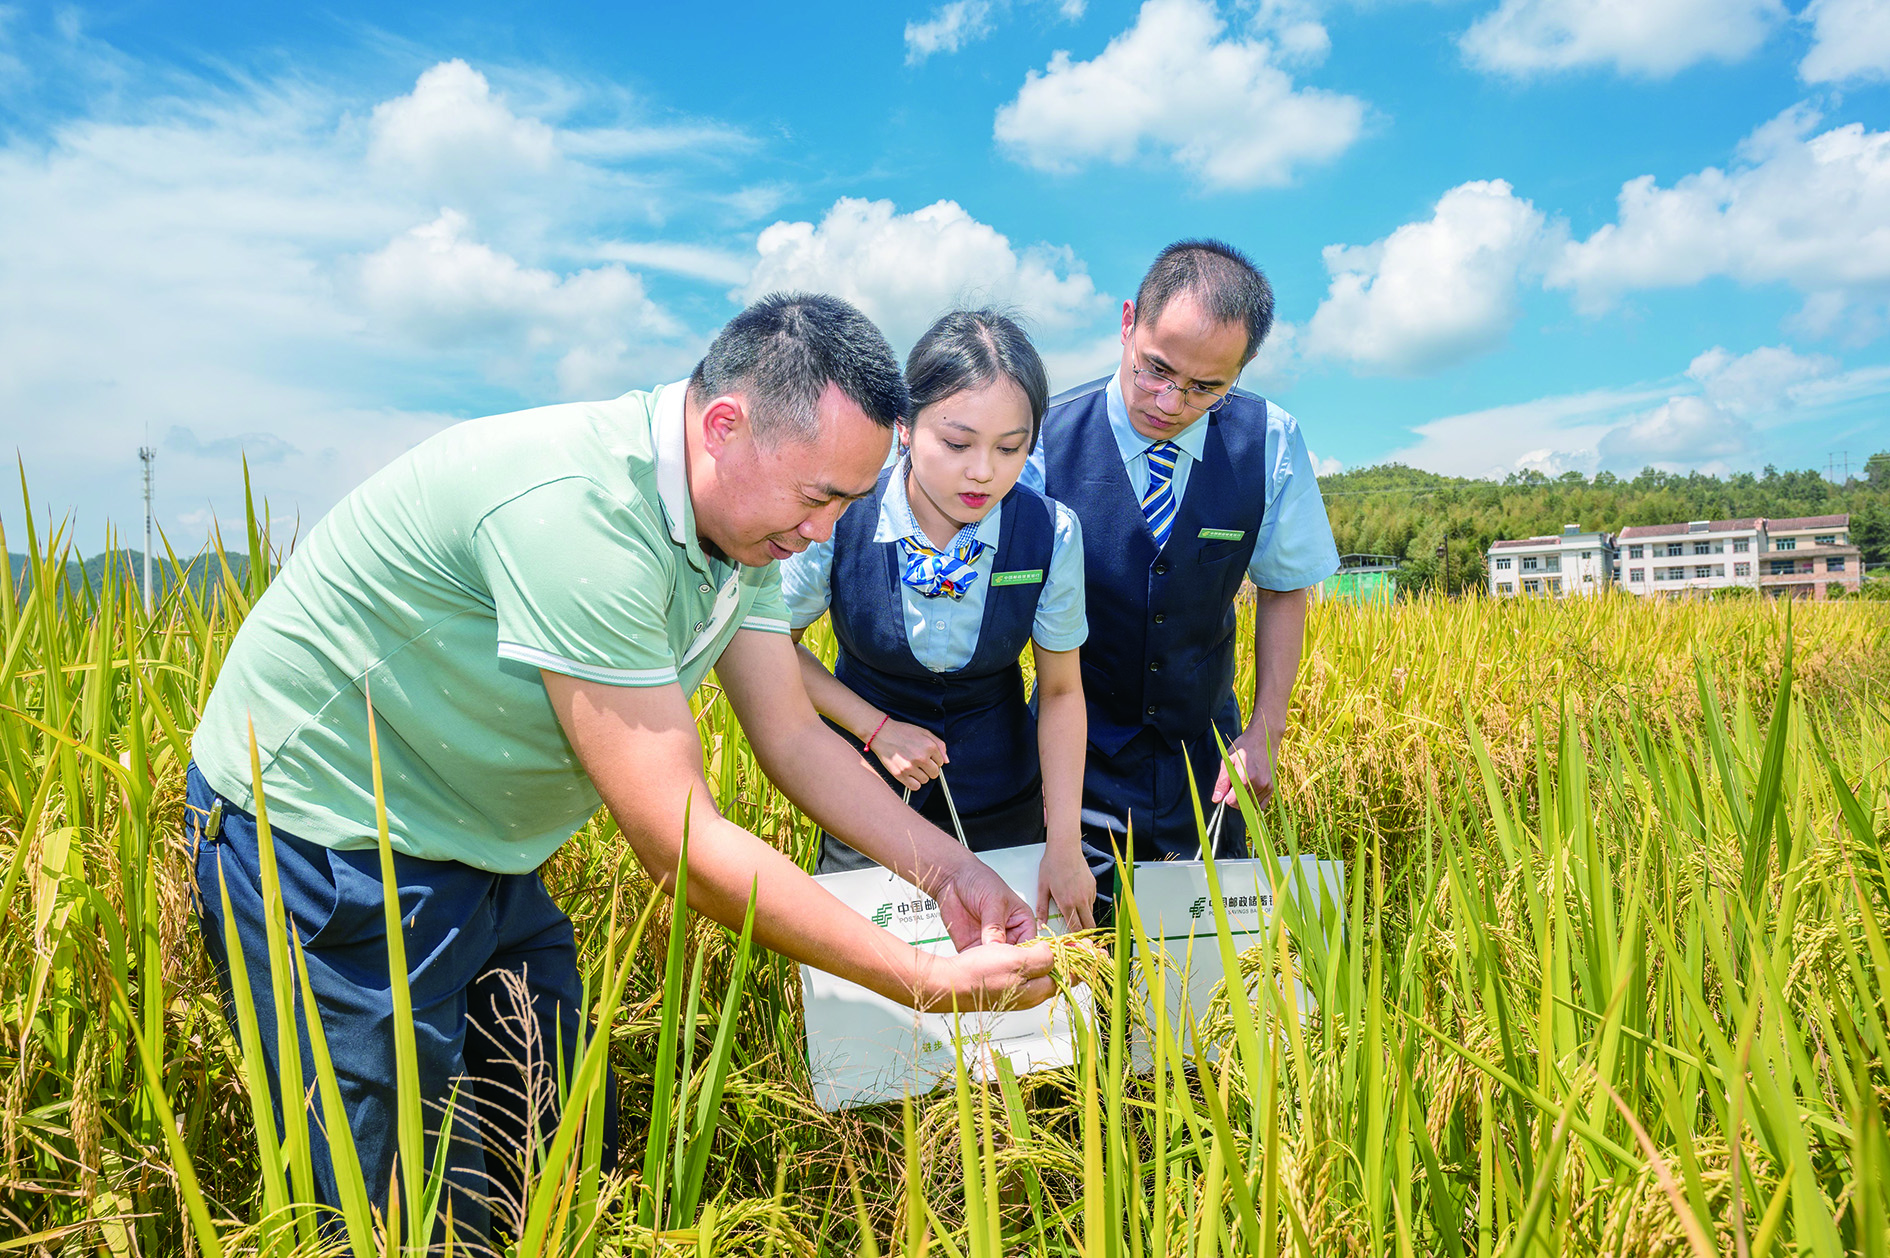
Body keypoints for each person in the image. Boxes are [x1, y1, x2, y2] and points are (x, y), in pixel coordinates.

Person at [185, 293, 1056, 1248]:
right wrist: (923, 979)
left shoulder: (744, 526)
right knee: (402, 1205)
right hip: (328, 842)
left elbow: (794, 738)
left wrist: (952, 873)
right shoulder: (581, 518)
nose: (824, 531)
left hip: (483, 845)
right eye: (817, 498)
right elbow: (682, 844)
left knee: (549, 1146)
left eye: (848, 502)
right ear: (725, 426)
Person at [1023, 240, 1340, 863]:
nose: (1170, 403)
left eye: (1205, 388)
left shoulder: (1270, 441)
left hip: (1210, 765)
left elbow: (1283, 587)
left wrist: (1267, 730)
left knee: (1210, 927)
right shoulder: (1037, 440)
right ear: (1127, 323)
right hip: (1068, 764)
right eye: (1156, 370)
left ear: (1242, 369)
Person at [782, 309, 1101, 930]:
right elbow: (773, 647)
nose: (983, 471)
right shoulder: (841, 515)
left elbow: (1062, 692)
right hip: (866, 802)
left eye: (1010, 448)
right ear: (904, 425)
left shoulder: (1050, 533)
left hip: (1002, 802)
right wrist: (876, 729)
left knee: (1012, 976)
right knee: (870, 977)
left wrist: (1063, 842)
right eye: (957, 444)